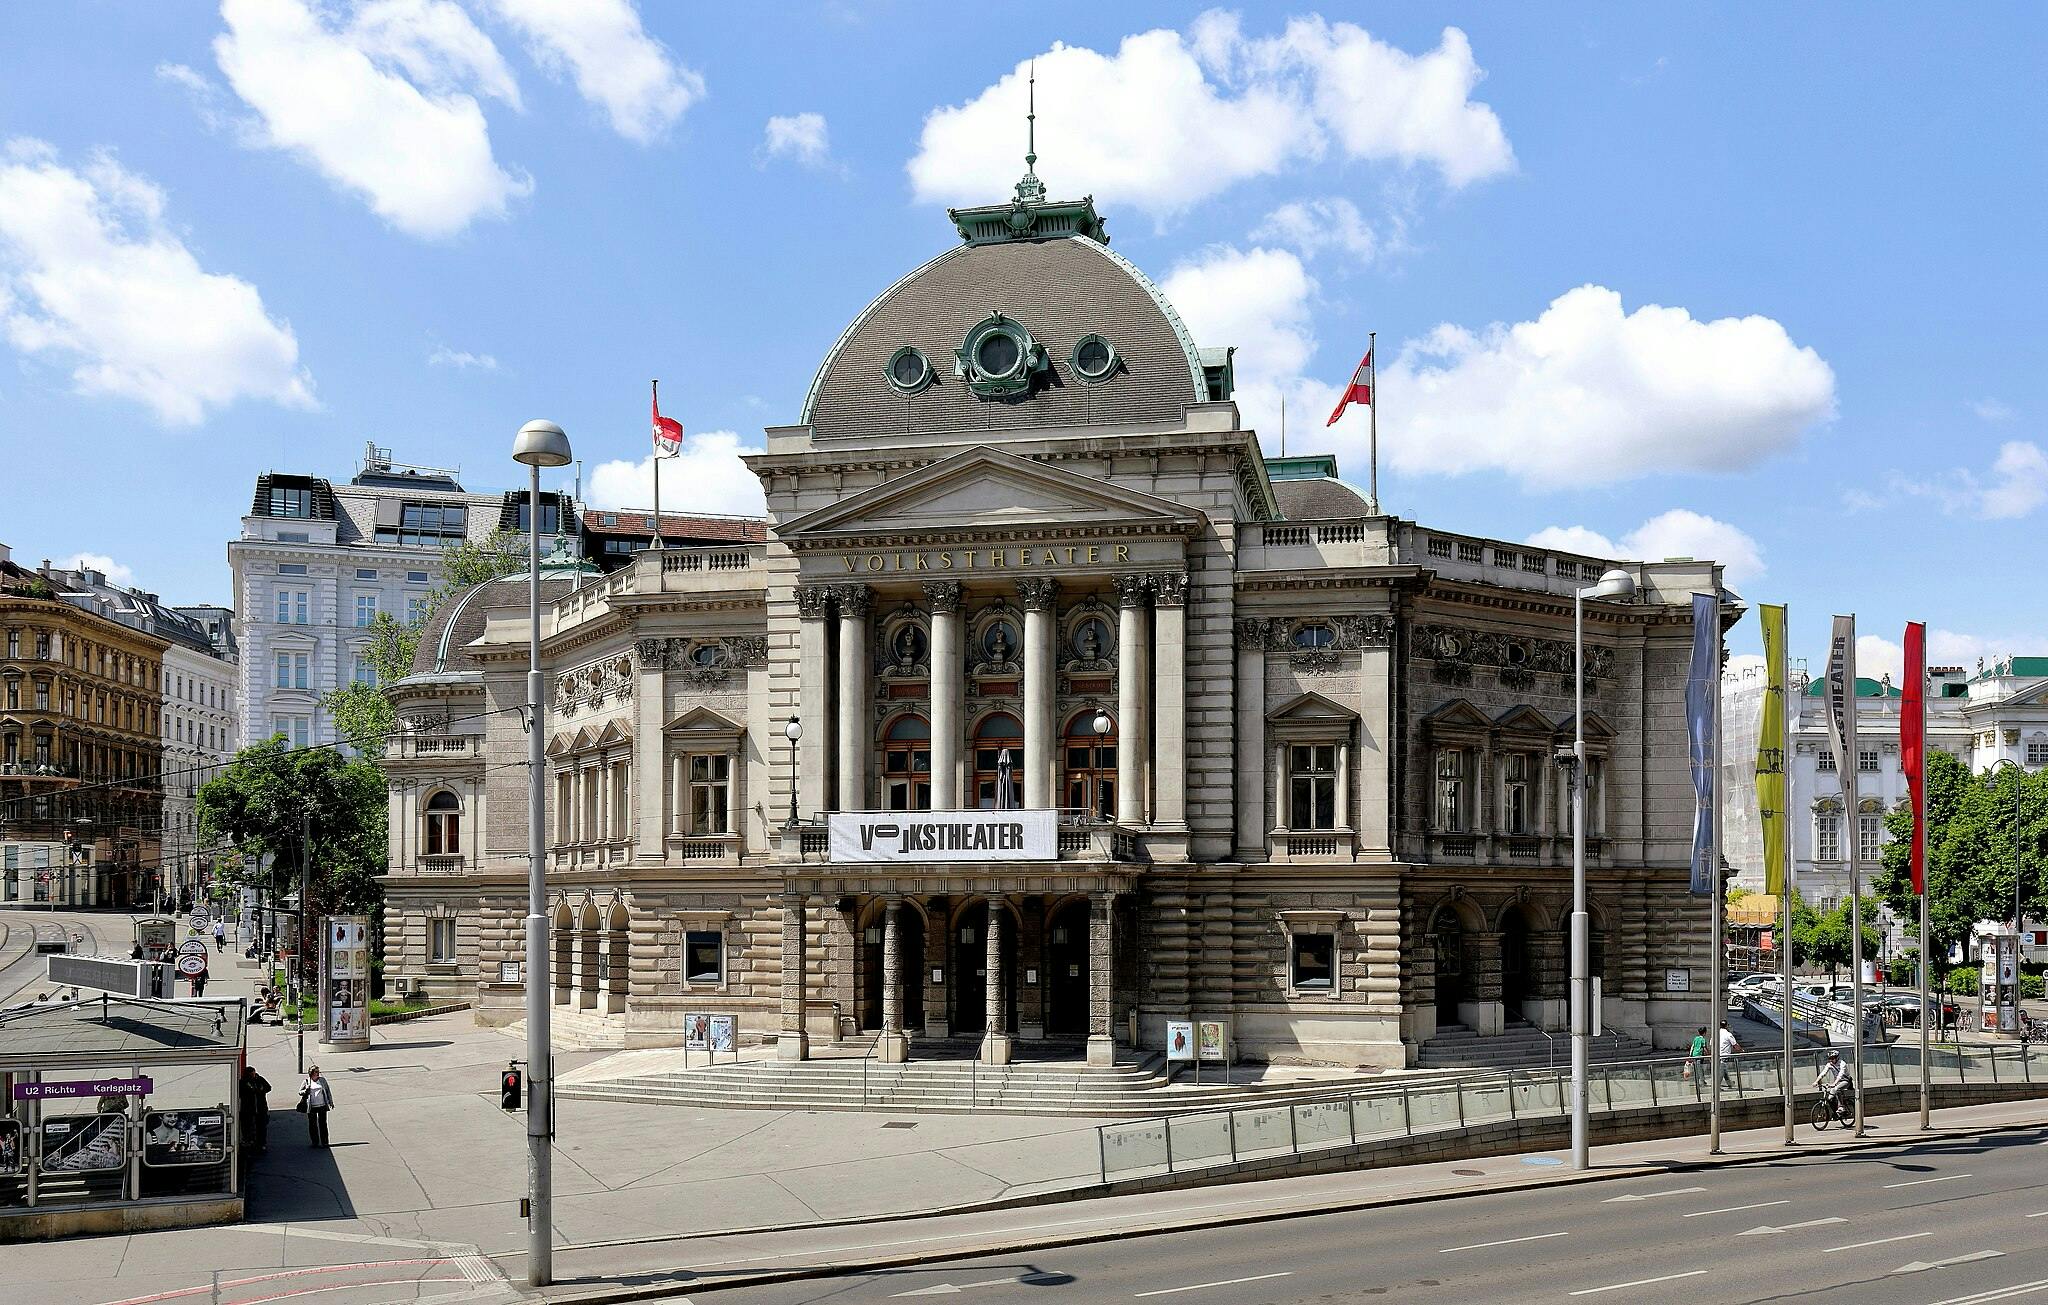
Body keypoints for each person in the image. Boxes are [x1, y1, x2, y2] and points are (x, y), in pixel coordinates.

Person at [299, 1066, 333, 1148]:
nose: (318, 1073)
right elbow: (300, 1092)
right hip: (311, 1106)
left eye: (318, 1072)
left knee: (323, 1124)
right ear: (311, 1073)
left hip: (322, 1105)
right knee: (313, 1125)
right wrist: (305, 1090)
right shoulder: (306, 1081)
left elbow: (328, 1091)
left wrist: (330, 1102)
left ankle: (325, 1142)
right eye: (316, 1072)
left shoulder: (322, 1080)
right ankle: (315, 1142)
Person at [1815, 1049, 1854, 1122]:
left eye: (1832, 1058)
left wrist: (1834, 1083)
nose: (1831, 1060)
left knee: (1837, 1089)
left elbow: (1840, 1075)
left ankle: (1841, 1107)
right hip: (1837, 1082)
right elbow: (1823, 1073)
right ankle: (1836, 1113)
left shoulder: (1842, 1063)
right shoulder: (1829, 1064)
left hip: (1845, 1081)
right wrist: (1816, 1081)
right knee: (1830, 1099)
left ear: (1837, 1058)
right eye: (1829, 1059)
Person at [240, 1065, 272, 1154]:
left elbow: (268, 1087)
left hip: (261, 1108)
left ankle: (261, 1144)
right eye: (251, 1074)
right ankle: (250, 1143)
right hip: (248, 1109)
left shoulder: (260, 1079)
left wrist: (261, 1090)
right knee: (249, 1127)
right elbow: (241, 1092)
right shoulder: (243, 1082)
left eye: (254, 1073)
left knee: (261, 1127)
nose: (253, 1075)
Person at [1717, 1021, 1741, 1088]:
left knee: (1723, 1070)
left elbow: (1711, 1043)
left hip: (1716, 1055)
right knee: (1722, 1070)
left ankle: (1729, 1083)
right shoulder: (1728, 1034)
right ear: (1726, 1026)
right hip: (1724, 1055)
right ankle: (1717, 1086)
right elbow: (1735, 1045)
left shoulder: (1715, 1033)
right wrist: (1741, 1050)